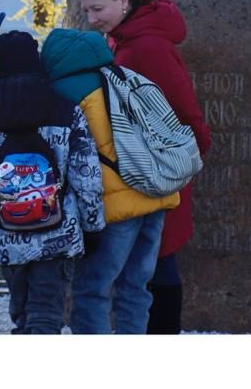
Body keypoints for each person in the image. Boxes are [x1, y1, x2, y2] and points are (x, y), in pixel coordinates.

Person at [75, 0, 211, 335]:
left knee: (156, 265)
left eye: (97, 9)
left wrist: (183, 161)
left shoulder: (145, 47)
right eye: (87, 10)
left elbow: (186, 112)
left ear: (123, 0)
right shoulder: (128, 39)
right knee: (150, 269)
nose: (91, 19)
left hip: (154, 174)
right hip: (141, 172)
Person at [40, 27, 184, 335]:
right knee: (135, 288)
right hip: (156, 196)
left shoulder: (67, 93)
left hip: (116, 207)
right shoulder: (126, 78)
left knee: (93, 289)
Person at [0, 31, 105, 334]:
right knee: (47, 313)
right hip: (59, 234)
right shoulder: (65, 109)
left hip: (8, 236)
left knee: (22, 315)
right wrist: (93, 227)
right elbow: (86, 175)